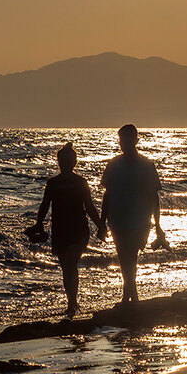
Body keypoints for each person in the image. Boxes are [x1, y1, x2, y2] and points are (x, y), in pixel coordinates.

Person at [32, 143, 102, 317]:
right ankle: (73, 301)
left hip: (79, 229)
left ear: (74, 162)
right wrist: (39, 223)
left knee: (70, 263)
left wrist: (101, 225)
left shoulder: (81, 182)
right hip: (60, 229)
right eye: (62, 160)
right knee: (67, 267)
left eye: (68, 160)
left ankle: (71, 304)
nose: (65, 163)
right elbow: (45, 205)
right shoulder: (53, 183)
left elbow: (90, 206)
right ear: (59, 162)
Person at [99, 124, 165, 305]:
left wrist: (157, 224)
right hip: (118, 219)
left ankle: (130, 296)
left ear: (136, 141)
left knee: (131, 257)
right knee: (124, 257)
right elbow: (107, 194)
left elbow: (154, 197)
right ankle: (130, 296)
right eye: (121, 140)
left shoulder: (147, 165)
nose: (124, 144)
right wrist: (102, 222)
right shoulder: (113, 165)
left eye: (127, 140)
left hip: (140, 221)